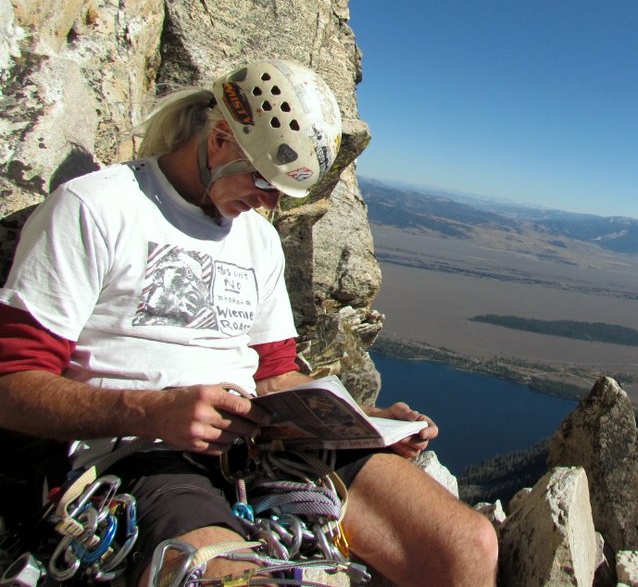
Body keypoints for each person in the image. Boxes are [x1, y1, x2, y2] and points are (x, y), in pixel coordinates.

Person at [0, 60, 498, 586]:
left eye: (283, 192)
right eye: (263, 180)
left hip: (265, 446)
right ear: (219, 140)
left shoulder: (257, 239)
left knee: (467, 544)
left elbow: (276, 375)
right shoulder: (95, 208)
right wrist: (151, 411)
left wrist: (364, 423)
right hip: (145, 455)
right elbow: (11, 385)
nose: (269, 202)